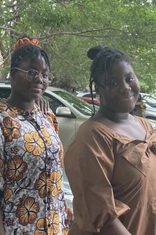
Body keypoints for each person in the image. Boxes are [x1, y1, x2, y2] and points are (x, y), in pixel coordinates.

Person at [0, 36, 71, 234]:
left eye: (44, 74)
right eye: (32, 72)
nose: (39, 79)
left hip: (55, 228)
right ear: (14, 74)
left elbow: (54, 178)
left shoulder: (48, 116)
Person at [64, 46, 156, 235]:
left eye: (129, 78)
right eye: (113, 83)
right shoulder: (91, 138)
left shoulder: (145, 126)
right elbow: (103, 218)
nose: (125, 88)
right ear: (98, 90)